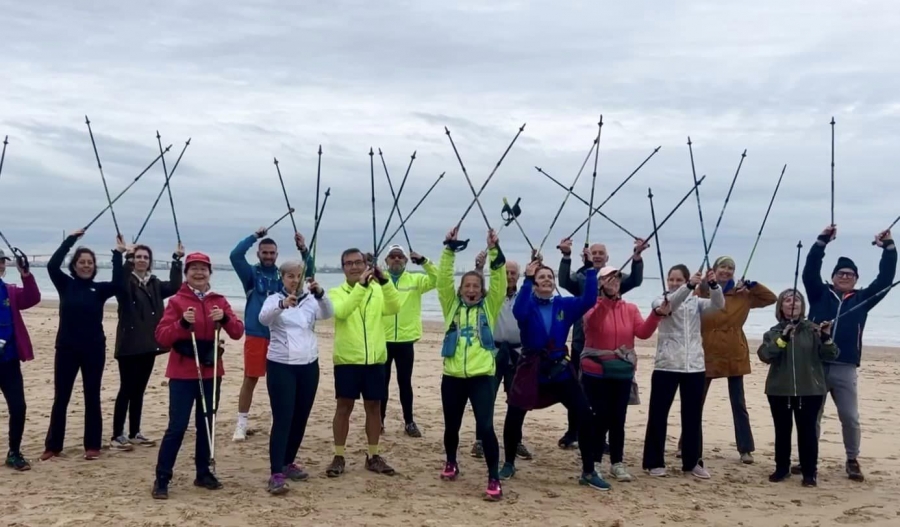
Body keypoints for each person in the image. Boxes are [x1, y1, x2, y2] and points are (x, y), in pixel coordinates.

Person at [799, 225, 896, 481]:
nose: (845, 276)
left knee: (850, 418)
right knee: (812, 416)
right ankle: (808, 458)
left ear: (855, 278)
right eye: (840, 273)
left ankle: (852, 458)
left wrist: (889, 247)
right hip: (815, 364)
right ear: (833, 276)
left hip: (845, 366)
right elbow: (809, 270)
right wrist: (822, 241)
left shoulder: (863, 298)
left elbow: (885, 280)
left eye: (850, 274)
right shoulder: (819, 293)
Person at [502, 257, 604, 490]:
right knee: (515, 414)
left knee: (585, 415)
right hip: (530, 368)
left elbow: (589, 299)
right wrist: (526, 279)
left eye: (550, 276)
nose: (546, 279)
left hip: (560, 370)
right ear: (535, 283)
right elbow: (518, 312)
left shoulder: (564, 305)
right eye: (541, 277)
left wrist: (590, 271)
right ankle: (508, 463)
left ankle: (588, 471)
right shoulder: (526, 304)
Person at [152, 252, 244, 499]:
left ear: (210, 272)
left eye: (203, 268)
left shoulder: (219, 300)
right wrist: (182, 324)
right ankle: (162, 477)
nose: (199, 273)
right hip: (183, 372)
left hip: (211, 370)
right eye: (193, 268)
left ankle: (203, 472)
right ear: (186, 273)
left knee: (207, 422)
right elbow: (161, 336)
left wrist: (223, 317)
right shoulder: (176, 302)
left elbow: (237, 332)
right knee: (177, 426)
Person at [435, 228, 506, 500]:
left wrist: (494, 249)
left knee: (485, 427)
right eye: (467, 286)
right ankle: (451, 461)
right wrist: (449, 249)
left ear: (482, 290)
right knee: (451, 426)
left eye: (476, 286)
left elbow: (499, 280)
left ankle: (493, 477)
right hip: (452, 376)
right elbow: (442, 279)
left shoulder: (490, 306)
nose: (472, 290)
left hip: (482, 377)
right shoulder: (450, 305)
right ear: (461, 289)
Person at [41, 230, 125, 461]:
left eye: (90, 262)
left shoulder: (100, 290)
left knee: (92, 396)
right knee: (61, 398)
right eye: (82, 262)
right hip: (66, 349)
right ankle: (53, 446)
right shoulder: (65, 284)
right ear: (75, 266)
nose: (86, 266)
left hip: (94, 350)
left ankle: (92, 446)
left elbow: (119, 284)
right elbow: (51, 265)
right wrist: (70, 241)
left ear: (94, 266)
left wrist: (118, 255)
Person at [556, 237, 646, 449]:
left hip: (609, 350)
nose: (597, 256)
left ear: (607, 257)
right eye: (593, 253)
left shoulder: (616, 277)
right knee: (577, 391)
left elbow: (636, 280)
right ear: (588, 255)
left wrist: (637, 257)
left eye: (600, 253)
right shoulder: (581, 277)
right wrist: (566, 256)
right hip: (581, 343)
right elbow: (563, 281)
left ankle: (601, 438)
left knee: (604, 399)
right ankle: (573, 431)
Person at [685, 255, 776, 464]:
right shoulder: (702, 291)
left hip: (735, 352)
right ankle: (688, 444)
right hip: (706, 350)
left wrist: (753, 285)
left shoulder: (742, 293)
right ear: (714, 270)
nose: (726, 271)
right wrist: (696, 283)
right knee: (696, 402)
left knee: (738, 403)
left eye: (730, 268)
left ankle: (745, 449)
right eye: (723, 267)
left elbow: (771, 299)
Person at [582, 266, 666, 483]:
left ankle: (617, 463)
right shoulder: (591, 306)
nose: (614, 281)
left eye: (617, 278)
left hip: (622, 371)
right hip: (596, 371)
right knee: (599, 417)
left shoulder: (630, 308)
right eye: (609, 279)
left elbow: (643, 333)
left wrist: (656, 314)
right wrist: (607, 298)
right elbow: (594, 323)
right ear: (600, 283)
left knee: (618, 418)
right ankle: (596, 463)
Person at [258, 260, 333, 494]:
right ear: (282, 278)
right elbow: (263, 318)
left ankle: (288, 462)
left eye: (298, 276)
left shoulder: (310, 301)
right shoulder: (273, 299)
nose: (294, 280)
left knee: (301, 417)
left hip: (309, 366)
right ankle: (276, 473)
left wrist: (321, 294)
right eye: (290, 276)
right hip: (282, 366)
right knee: (283, 419)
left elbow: (329, 313)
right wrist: (282, 304)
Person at [642, 266, 723, 479]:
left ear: (687, 279)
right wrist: (688, 286)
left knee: (693, 416)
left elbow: (719, 305)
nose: (674, 283)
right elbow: (669, 308)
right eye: (671, 279)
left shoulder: (697, 303)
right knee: (658, 415)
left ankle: (692, 462)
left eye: (679, 279)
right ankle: (654, 461)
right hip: (666, 365)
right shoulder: (661, 300)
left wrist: (713, 285)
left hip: (694, 366)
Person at [325, 248, 401, 478]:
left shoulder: (377, 289)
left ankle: (373, 454)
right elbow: (343, 311)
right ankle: (339, 455)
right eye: (349, 263)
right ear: (343, 267)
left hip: (375, 359)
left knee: (374, 407)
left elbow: (395, 307)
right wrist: (361, 286)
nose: (355, 267)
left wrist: (385, 281)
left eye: (359, 262)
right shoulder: (336, 292)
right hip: (348, 359)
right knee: (344, 407)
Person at [229, 227, 308, 441]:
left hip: (281, 334)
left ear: (277, 254)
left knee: (278, 380)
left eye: (272, 253)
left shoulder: (281, 275)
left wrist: (303, 249)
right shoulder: (251, 274)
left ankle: (277, 420)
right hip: (256, 332)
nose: (269, 256)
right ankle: (241, 423)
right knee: (251, 377)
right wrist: (254, 237)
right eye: (265, 252)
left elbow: (308, 272)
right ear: (258, 253)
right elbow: (235, 255)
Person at [758, 289, 838, 487]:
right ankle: (782, 468)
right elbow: (766, 355)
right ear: (781, 307)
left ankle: (809, 473)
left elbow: (831, 354)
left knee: (808, 432)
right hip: (779, 390)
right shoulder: (773, 332)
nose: (792, 303)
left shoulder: (813, 330)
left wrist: (826, 337)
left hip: (810, 389)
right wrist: (783, 339)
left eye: (796, 300)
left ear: (803, 306)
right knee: (782, 431)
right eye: (787, 300)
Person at [110, 242, 184, 450]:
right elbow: (119, 278)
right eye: (138, 257)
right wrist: (122, 256)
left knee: (139, 390)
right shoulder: (126, 282)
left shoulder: (154, 283)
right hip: (129, 345)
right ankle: (117, 434)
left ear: (150, 262)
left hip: (149, 344)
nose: (142, 260)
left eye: (145, 257)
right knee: (127, 388)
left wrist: (176, 261)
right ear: (133, 260)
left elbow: (175, 287)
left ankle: (135, 432)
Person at [471, 254, 533, 461]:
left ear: (518, 276)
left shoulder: (526, 296)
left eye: (513, 273)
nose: (509, 276)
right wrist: (479, 268)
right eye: (505, 273)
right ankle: (480, 439)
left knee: (517, 401)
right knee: (486, 398)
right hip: (493, 353)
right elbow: (477, 287)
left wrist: (536, 263)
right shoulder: (491, 297)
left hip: (518, 354)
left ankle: (515, 441)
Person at [380, 243, 438, 438]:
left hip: (406, 341)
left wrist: (423, 261)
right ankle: (379, 421)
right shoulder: (379, 280)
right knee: (382, 383)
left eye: (400, 257)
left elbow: (438, 279)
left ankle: (409, 422)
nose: (396, 259)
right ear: (386, 261)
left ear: (406, 261)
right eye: (393, 256)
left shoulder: (415, 280)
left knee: (405, 383)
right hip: (383, 340)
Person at [0, 249, 40, 471]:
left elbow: (33, 297)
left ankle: (14, 452)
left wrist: (26, 274)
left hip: (9, 361)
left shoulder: (10, 292)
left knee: (18, 407)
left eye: (1, 262)